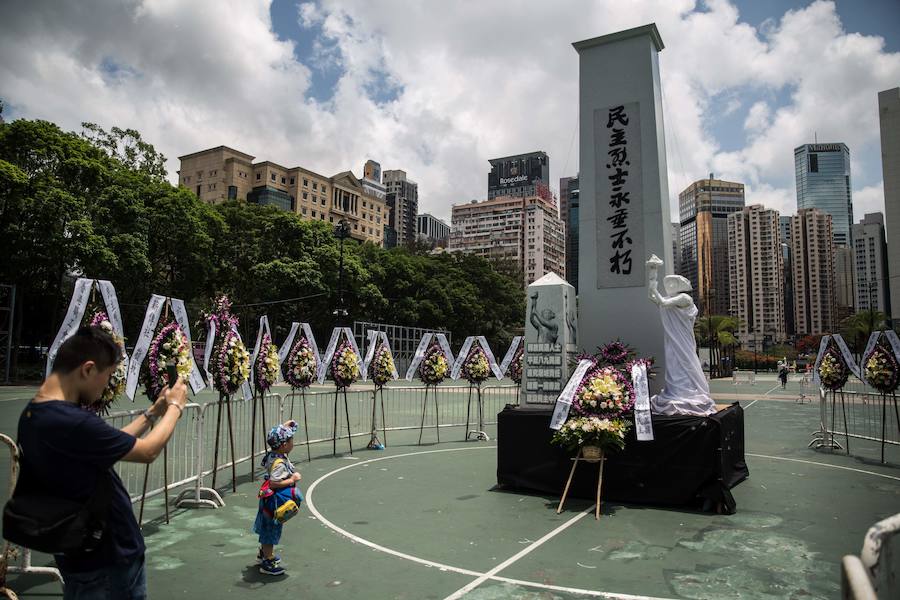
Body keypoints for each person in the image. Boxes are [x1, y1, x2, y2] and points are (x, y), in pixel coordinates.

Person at [17, 326, 188, 600]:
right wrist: (176, 407)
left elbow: (111, 442)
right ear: (87, 370)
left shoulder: (36, 414)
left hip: (80, 552)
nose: (106, 386)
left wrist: (153, 413)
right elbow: (147, 452)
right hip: (106, 557)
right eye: (107, 376)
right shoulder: (71, 422)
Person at [645, 254, 716, 416]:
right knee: (674, 365)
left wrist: (655, 276)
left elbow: (662, 302)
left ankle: (689, 393)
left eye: (672, 283)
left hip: (683, 340)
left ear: (680, 284)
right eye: (667, 282)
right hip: (672, 339)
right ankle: (677, 392)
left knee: (686, 363)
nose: (669, 285)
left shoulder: (685, 298)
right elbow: (653, 297)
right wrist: (652, 274)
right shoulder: (673, 299)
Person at [253, 421, 302, 576]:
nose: (292, 442)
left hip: (269, 499)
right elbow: (274, 483)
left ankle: (264, 554)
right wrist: (293, 479)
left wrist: (285, 425)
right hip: (273, 500)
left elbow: (277, 433)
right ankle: (267, 561)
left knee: (268, 527)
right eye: (290, 440)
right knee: (271, 529)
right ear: (283, 445)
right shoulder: (279, 462)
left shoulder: (274, 454)